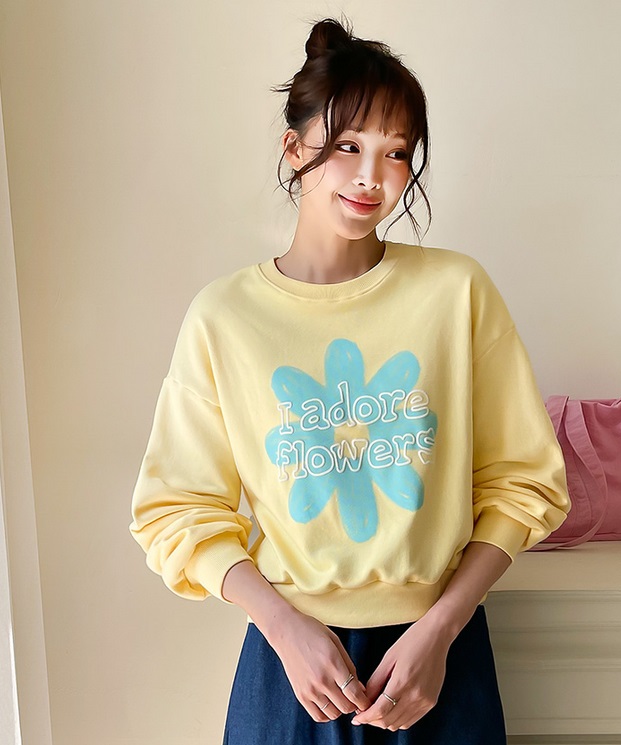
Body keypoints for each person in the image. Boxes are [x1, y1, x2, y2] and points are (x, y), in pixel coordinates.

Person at [130, 17, 570, 745]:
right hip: (293, 670)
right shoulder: (225, 317)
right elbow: (176, 509)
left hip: (439, 660)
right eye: (347, 146)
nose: (372, 177)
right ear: (293, 148)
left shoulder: (455, 292)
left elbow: (523, 482)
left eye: (396, 152)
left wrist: (442, 628)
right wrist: (282, 626)